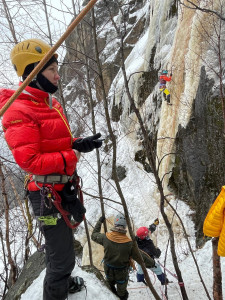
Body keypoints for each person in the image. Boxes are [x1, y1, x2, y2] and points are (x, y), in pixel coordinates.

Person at [0, 39, 103, 300]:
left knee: (64, 244)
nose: (58, 75)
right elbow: (30, 161)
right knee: (61, 261)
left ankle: (64, 283)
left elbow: (54, 141)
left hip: (61, 186)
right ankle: (56, 291)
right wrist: (72, 153)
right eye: (52, 70)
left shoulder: (50, 104)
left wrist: (77, 142)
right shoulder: (19, 110)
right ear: (32, 73)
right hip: (46, 194)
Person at [91, 213, 156, 300]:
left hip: (108, 269)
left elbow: (94, 235)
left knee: (109, 287)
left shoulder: (105, 237)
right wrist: (152, 263)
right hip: (121, 272)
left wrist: (100, 222)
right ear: (125, 226)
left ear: (115, 224)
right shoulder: (129, 244)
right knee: (122, 294)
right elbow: (141, 257)